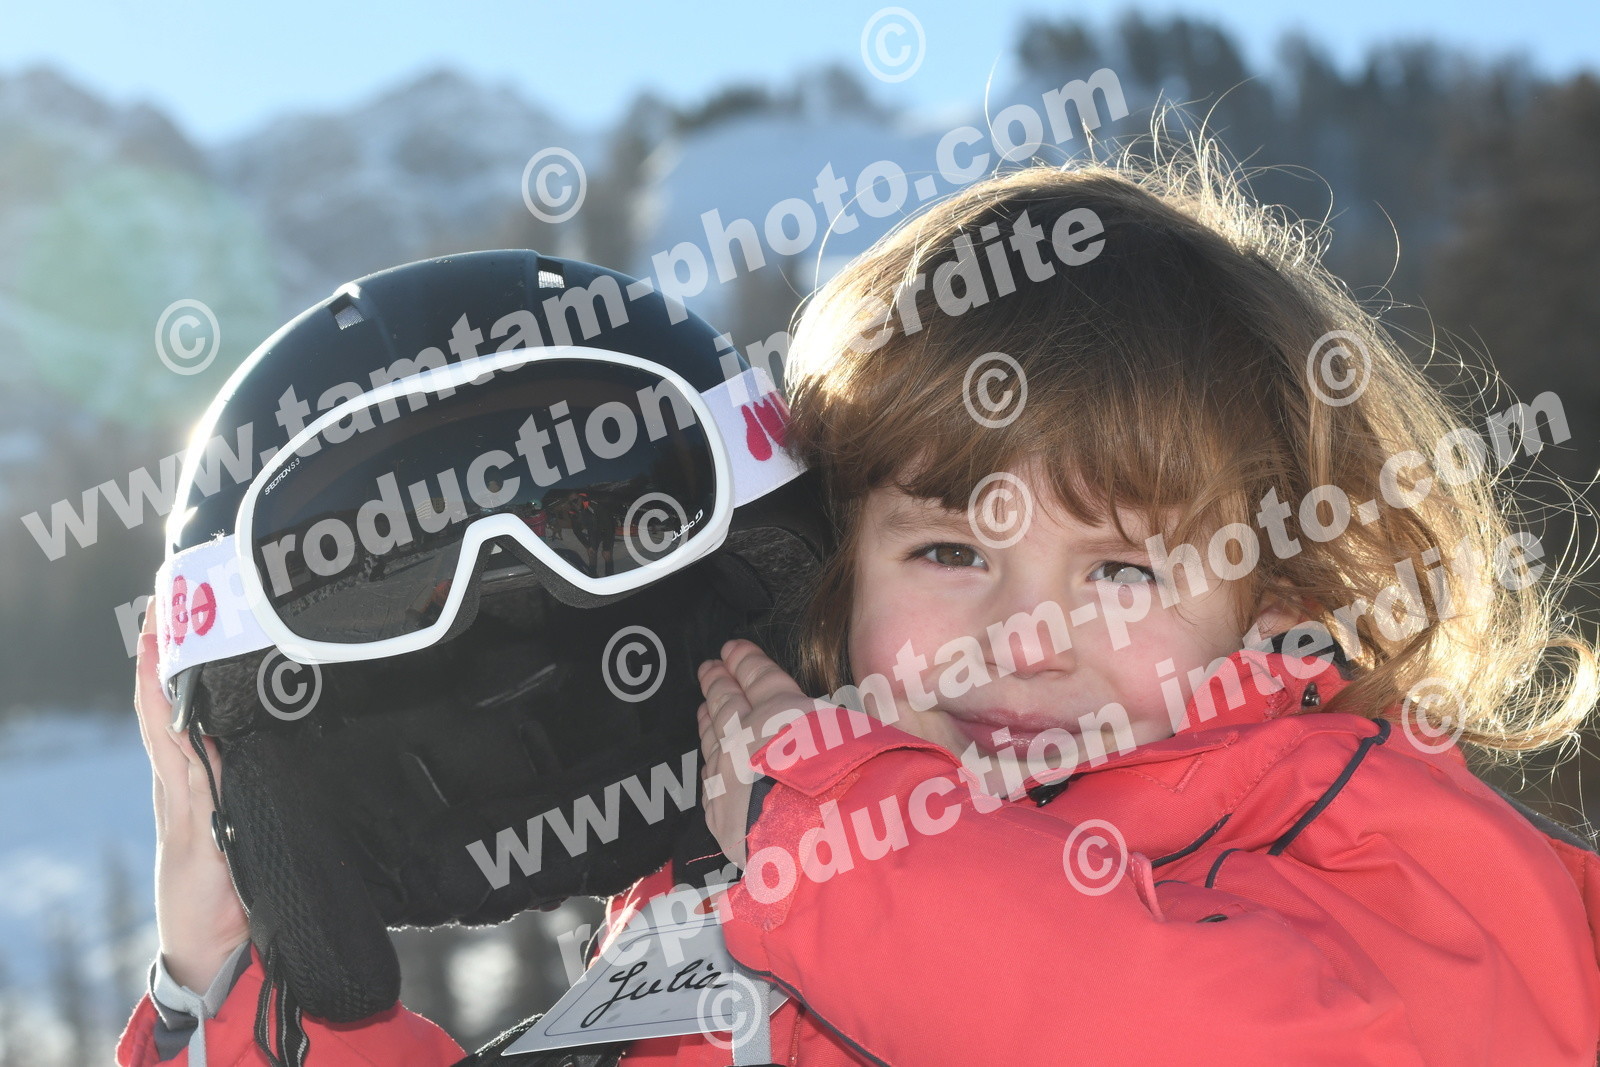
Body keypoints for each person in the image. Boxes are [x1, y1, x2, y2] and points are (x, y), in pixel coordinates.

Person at [123, 149, 1600, 1065]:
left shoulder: (1374, 844)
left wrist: (835, 837)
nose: (1026, 635)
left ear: (1274, 601)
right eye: (949, 551)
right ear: (830, 567)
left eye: (1123, 571)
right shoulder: (751, 905)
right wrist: (228, 983)